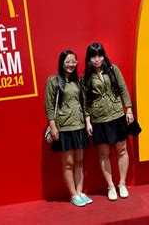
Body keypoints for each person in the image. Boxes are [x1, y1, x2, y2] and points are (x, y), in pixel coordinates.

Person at [81, 42, 134, 201]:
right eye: (93, 56)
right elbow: (85, 100)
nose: (97, 60)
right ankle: (110, 186)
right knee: (104, 153)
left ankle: (122, 184)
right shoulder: (85, 77)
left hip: (117, 115)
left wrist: (129, 109)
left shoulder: (113, 69)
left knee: (122, 150)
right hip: (99, 119)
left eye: (99, 55)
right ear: (89, 59)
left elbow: (123, 89)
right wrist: (88, 121)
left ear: (103, 56)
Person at [45, 50, 92, 207]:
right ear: (61, 62)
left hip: (79, 126)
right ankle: (73, 195)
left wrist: (87, 122)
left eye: (73, 62)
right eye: (67, 62)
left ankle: (80, 192)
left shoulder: (77, 82)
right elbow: (49, 106)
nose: (71, 64)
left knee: (80, 160)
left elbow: (83, 103)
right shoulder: (53, 80)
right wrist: (53, 126)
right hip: (63, 127)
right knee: (69, 163)